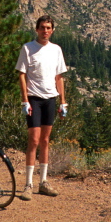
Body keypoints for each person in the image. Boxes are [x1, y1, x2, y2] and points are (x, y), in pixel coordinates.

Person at [15, 15, 68, 201]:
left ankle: (43, 182)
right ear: (36, 29)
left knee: (45, 140)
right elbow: (22, 75)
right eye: (42, 27)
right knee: (34, 140)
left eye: (48, 27)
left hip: (50, 99)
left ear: (52, 30)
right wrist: (24, 101)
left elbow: (59, 77)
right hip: (34, 99)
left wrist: (63, 102)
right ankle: (28, 184)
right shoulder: (28, 48)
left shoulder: (56, 50)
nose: (45, 30)